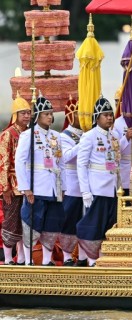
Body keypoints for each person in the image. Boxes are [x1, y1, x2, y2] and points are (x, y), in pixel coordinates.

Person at [76, 96, 129, 267]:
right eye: (105, 115)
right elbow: (81, 165)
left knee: (109, 224)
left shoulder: (113, 136)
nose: (109, 118)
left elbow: (116, 155)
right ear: (97, 117)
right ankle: (91, 260)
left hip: (113, 187)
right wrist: (85, 191)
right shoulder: (89, 136)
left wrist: (126, 138)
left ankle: (103, 257)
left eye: (110, 114)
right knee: (94, 225)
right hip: (97, 187)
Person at [15, 92, 66, 266]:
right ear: (37, 116)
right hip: (36, 187)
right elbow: (20, 162)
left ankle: (46, 260)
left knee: (52, 223)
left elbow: (61, 164)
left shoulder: (56, 136)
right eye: (46, 113)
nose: (50, 117)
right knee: (33, 222)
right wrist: (25, 188)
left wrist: (63, 188)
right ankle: (29, 260)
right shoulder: (28, 135)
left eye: (51, 113)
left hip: (53, 188)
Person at [0, 92, 31, 265]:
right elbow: (3, 162)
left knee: (24, 221)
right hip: (11, 185)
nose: (26, 116)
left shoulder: (30, 134)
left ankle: (20, 257)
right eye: (23, 113)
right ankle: (7, 258)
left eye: (28, 112)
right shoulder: (8, 134)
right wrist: (5, 188)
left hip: (26, 185)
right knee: (11, 221)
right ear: (15, 115)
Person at [58, 97, 87, 266]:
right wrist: (82, 144)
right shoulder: (64, 137)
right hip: (72, 185)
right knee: (69, 221)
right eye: (78, 113)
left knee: (84, 221)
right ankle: (67, 255)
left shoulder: (88, 134)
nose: (82, 117)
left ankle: (83, 256)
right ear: (70, 115)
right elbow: (67, 157)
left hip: (87, 184)